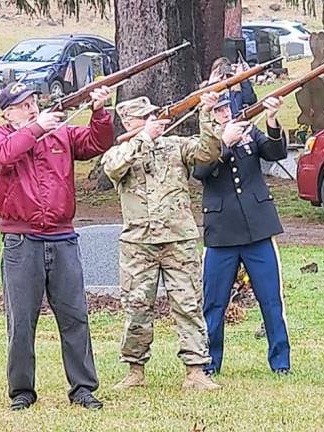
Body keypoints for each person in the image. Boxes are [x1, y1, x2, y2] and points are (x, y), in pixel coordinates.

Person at [0, 81, 114, 411]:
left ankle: (83, 388)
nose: (31, 107)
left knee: (75, 317)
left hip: (62, 237)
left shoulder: (62, 133)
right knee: (21, 323)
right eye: (23, 104)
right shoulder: (0, 136)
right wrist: (35, 130)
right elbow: (1, 158)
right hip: (21, 241)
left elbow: (98, 143)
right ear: (8, 112)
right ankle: (21, 391)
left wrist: (99, 111)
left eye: (33, 101)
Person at [101, 94, 228, 391]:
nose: (152, 121)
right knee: (136, 307)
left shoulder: (175, 145)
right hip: (139, 243)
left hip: (178, 240)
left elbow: (208, 153)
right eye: (143, 118)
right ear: (128, 122)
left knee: (188, 305)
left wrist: (206, 114)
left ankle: (196, 370)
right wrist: (144, 137)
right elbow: (114, 168)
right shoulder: (120, 151)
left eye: (152, 116)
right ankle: (135, 370)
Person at [193, 93, 291, 376]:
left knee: (271, 299)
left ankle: (280, 362)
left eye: (227, 107)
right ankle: (210, 363)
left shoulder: (250, 130)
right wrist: (224, 144)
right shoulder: (205, 140)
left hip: (257, 227)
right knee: (214, 302)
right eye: (218, 109)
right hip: (222, 231)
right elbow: (200, 170)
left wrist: (271, 118)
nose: (224, 113)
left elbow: (275, 153)